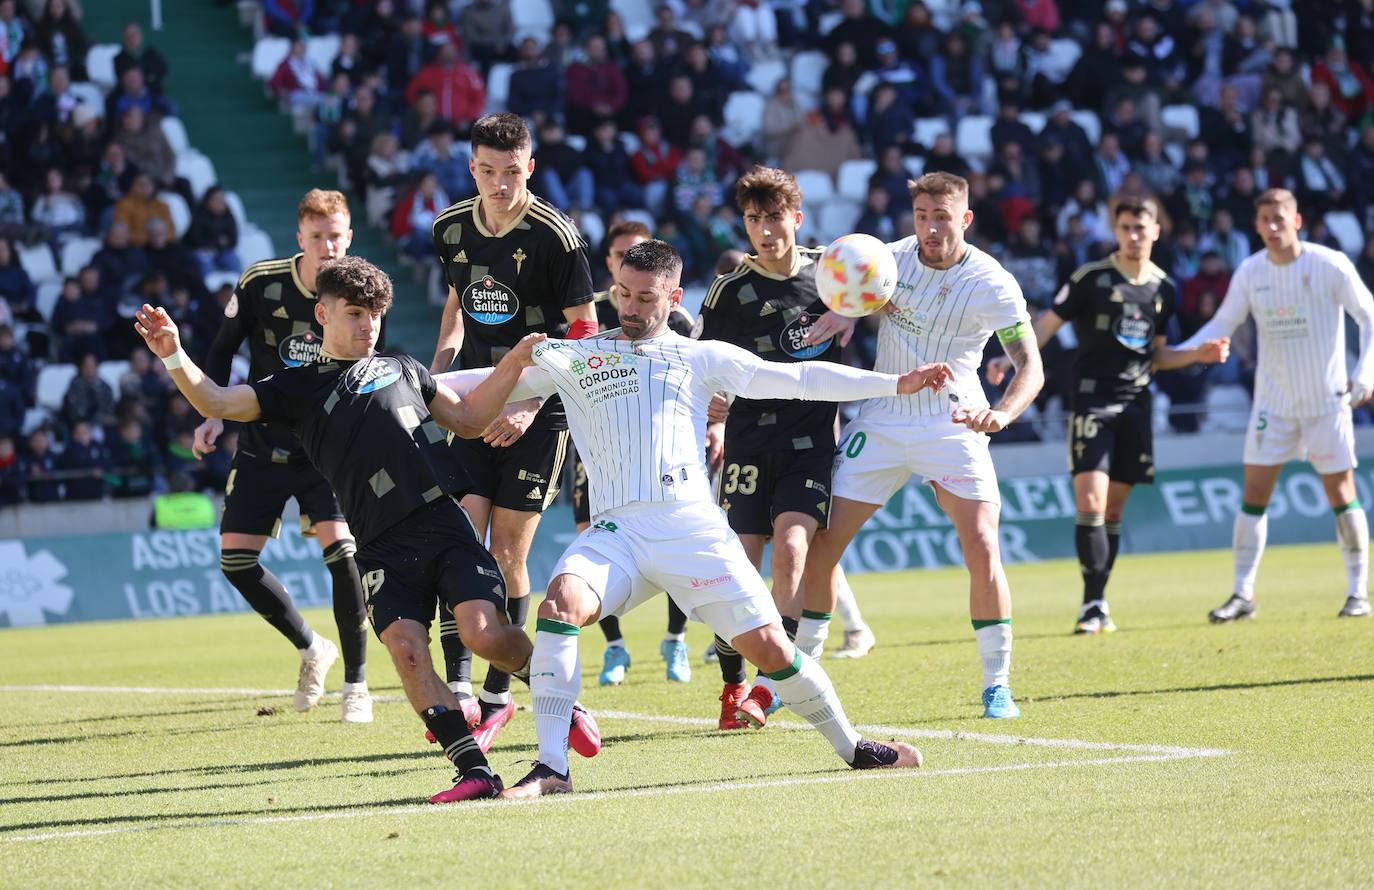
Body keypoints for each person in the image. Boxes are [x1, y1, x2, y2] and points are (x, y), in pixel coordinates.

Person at [440, 240, 940, 798]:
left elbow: (800, 380)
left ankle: (853, 747)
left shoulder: (702, 357)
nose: (628, 307)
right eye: (623, 294)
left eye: (645, 298)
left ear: (674, 297)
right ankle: (553, 768)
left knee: (773, 650)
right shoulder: (574, 356)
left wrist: (895, 383)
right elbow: (472, 383)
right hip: (616, 533)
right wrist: (407, 380)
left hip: (691, 530)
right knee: (559, 606)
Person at [134, 256, 599, 804]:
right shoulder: (294, 387)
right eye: (354, 314)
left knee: (483, 635)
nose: (367, 326)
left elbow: (471, 420)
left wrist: (516, 365)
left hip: (442, 524)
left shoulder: (403, 367)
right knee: (406, 651)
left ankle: (559, 700)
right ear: (322, 313)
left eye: (375, 315)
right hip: (379, 546)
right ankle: (474, 771)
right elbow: (216, 401)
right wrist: (174, 356)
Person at [799, 172, 1046, 720]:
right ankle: (802, 678)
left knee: (982, 547)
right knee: (822, 547)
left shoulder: (992, 282)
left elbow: (1032, 366)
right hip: (883, 420)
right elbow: (851, 289)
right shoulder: (889, 259)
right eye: (921, 216)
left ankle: (997, 684)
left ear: (965, 218)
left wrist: (1001, 412)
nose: (930, 228)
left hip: (953, 424)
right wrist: (844, 309)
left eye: (941, 216)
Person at [987, 198, 1230, 633]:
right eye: (1125, 227)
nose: (1133, 235)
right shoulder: (1091, 279)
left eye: (1141, 227)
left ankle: (1099, 598)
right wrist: (1013, 359)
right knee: (1092, 502)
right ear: (1115, 231)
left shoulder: (1163, 289)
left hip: (1136, 405)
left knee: (1115, 510)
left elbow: (1156, 356)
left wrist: (1198, 353)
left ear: (1156, 231)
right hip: (1092, 402)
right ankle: (1092, 605)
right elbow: (1047, 324)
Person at [429, 112, 597, 740]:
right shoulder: (449, 229)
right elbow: (456, 307)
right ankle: (460, 689)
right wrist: (437, 381)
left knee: (506, 553)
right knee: (461, 541)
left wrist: (528, 402)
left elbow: (585, 334)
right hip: (474, 399)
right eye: (487, 172)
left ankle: (500, 695)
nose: (499, 184)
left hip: (542, 406)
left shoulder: (558, 236)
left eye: (511, 172)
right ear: (472, 168)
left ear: (530, 167)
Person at [695, 167, 875, 731]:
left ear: (796, 218)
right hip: (749, 440)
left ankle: (773, 683)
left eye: (774, 218)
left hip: (810, 442)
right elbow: (699, 357)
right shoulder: (730, 289)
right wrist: (711, 409)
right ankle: (734, 687)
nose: (765, 231)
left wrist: (850, 311)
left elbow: (892, 281)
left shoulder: (832, 271)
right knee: (739, 567)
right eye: (754, 220)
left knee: (794, 547)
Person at [190, 190, 372, 724]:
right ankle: (312, 647)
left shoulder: (359, 287)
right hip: (263, 441)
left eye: (336, 235)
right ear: (301, 239)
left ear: (349, 236)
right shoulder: (261, 282)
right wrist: (212, 413)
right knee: (235, 561)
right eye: (317, 237)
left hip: (327, 449)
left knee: (344, 557)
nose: (328, 246)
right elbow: (223, 349)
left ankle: (356, 685)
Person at [1171, 189, 1374, 622]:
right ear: (1258, 226)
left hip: (1326, 400)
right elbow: (1223, 322)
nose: (1273, 225)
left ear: (1297, 220)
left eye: (1280, 217)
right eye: (1265, 219)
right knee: (1254, 494)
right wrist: (1177, 353)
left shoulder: (1329, 264)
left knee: (1341, 493)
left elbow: (1368, 313)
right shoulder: (1250, 271)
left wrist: (1367, 373)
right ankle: (1243, 594)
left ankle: (1358, 592)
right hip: (1274, 405)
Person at [573, 219, 695, 687]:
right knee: (591, 534)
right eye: (624, 256)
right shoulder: (595, 315)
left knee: (676, 545)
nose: (635, 299)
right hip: (600, 452)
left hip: (663, 455)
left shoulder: (675, 320)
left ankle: (676, 639)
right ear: (611, 264)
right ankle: (615, 648)